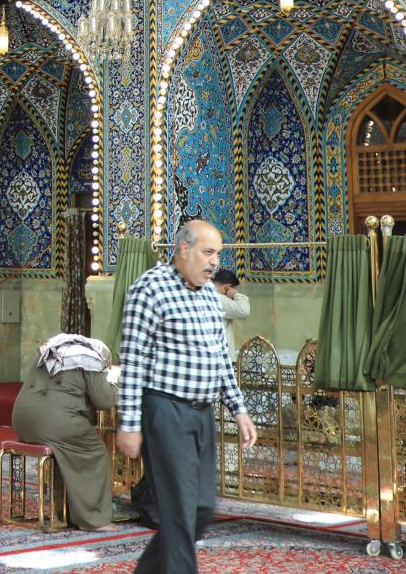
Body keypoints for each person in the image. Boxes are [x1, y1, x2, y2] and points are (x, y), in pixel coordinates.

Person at [115, 218, 257, 574]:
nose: (214, 262)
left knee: (200, 509)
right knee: (179, 512)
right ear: (183, 250)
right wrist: (129, 424)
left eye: (218, 254)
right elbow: (133, 362)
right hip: (166, 411)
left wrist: (238, 409)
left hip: (202, 414)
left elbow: (220, 357)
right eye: (208, 252)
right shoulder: (149, 289)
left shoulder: (210, 292)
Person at [12, 332, 120, 530]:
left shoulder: (49, 351)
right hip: (55, 423)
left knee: (67, 451)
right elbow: (104, 400)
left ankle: (64, 509)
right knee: (94, 452)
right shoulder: (90, 359)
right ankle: (94, 520)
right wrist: (114, 382)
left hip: (22, 421)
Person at [213, 268, 248, 344]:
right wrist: (236, 294)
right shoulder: (219, 299)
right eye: (233, 289)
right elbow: (244, 310)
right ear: (226, 288)